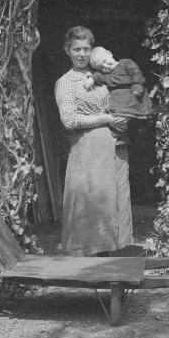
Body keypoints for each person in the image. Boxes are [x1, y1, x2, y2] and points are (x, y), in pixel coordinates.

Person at [54, 26, 133, 256]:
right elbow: (69, 120)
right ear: (67, 50)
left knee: (113, 208)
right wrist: (107, 118)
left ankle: (111, 271)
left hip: (115, 149)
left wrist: (122, 115)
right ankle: (88, 270)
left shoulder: (102, 75)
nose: (81, 54)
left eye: (86, 49)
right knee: (91, 208)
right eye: (76, 49)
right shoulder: (65, 82)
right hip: (88, 154)